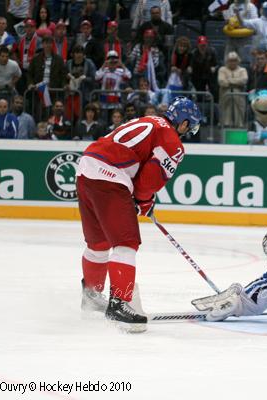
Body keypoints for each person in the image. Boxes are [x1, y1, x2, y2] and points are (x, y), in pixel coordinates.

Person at [76, 96, 201, 332]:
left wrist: (142, 200)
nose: (188, 132)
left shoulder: (150, 120)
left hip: (86, 169)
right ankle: (119, 305)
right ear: (184, 123)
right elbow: (149, 180)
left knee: (98, 243)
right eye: (190, 126)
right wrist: (144, 200)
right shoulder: (172, 141)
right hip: (110, 176)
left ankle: (91, 296)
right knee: (126, 243)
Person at [218, 51, 248, 128]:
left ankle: (239, 124)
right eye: (231, 60)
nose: (233, 62)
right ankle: (225, 124)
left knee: (240, 109)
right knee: (225, 109)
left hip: (239, 93)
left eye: (234, 60)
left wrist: (229, 80)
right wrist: (237, 81)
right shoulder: (222, 69)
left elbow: (244, 80)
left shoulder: (242, 70)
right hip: (225, 94)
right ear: (227, 61)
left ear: (238, 61)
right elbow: (222, 81)